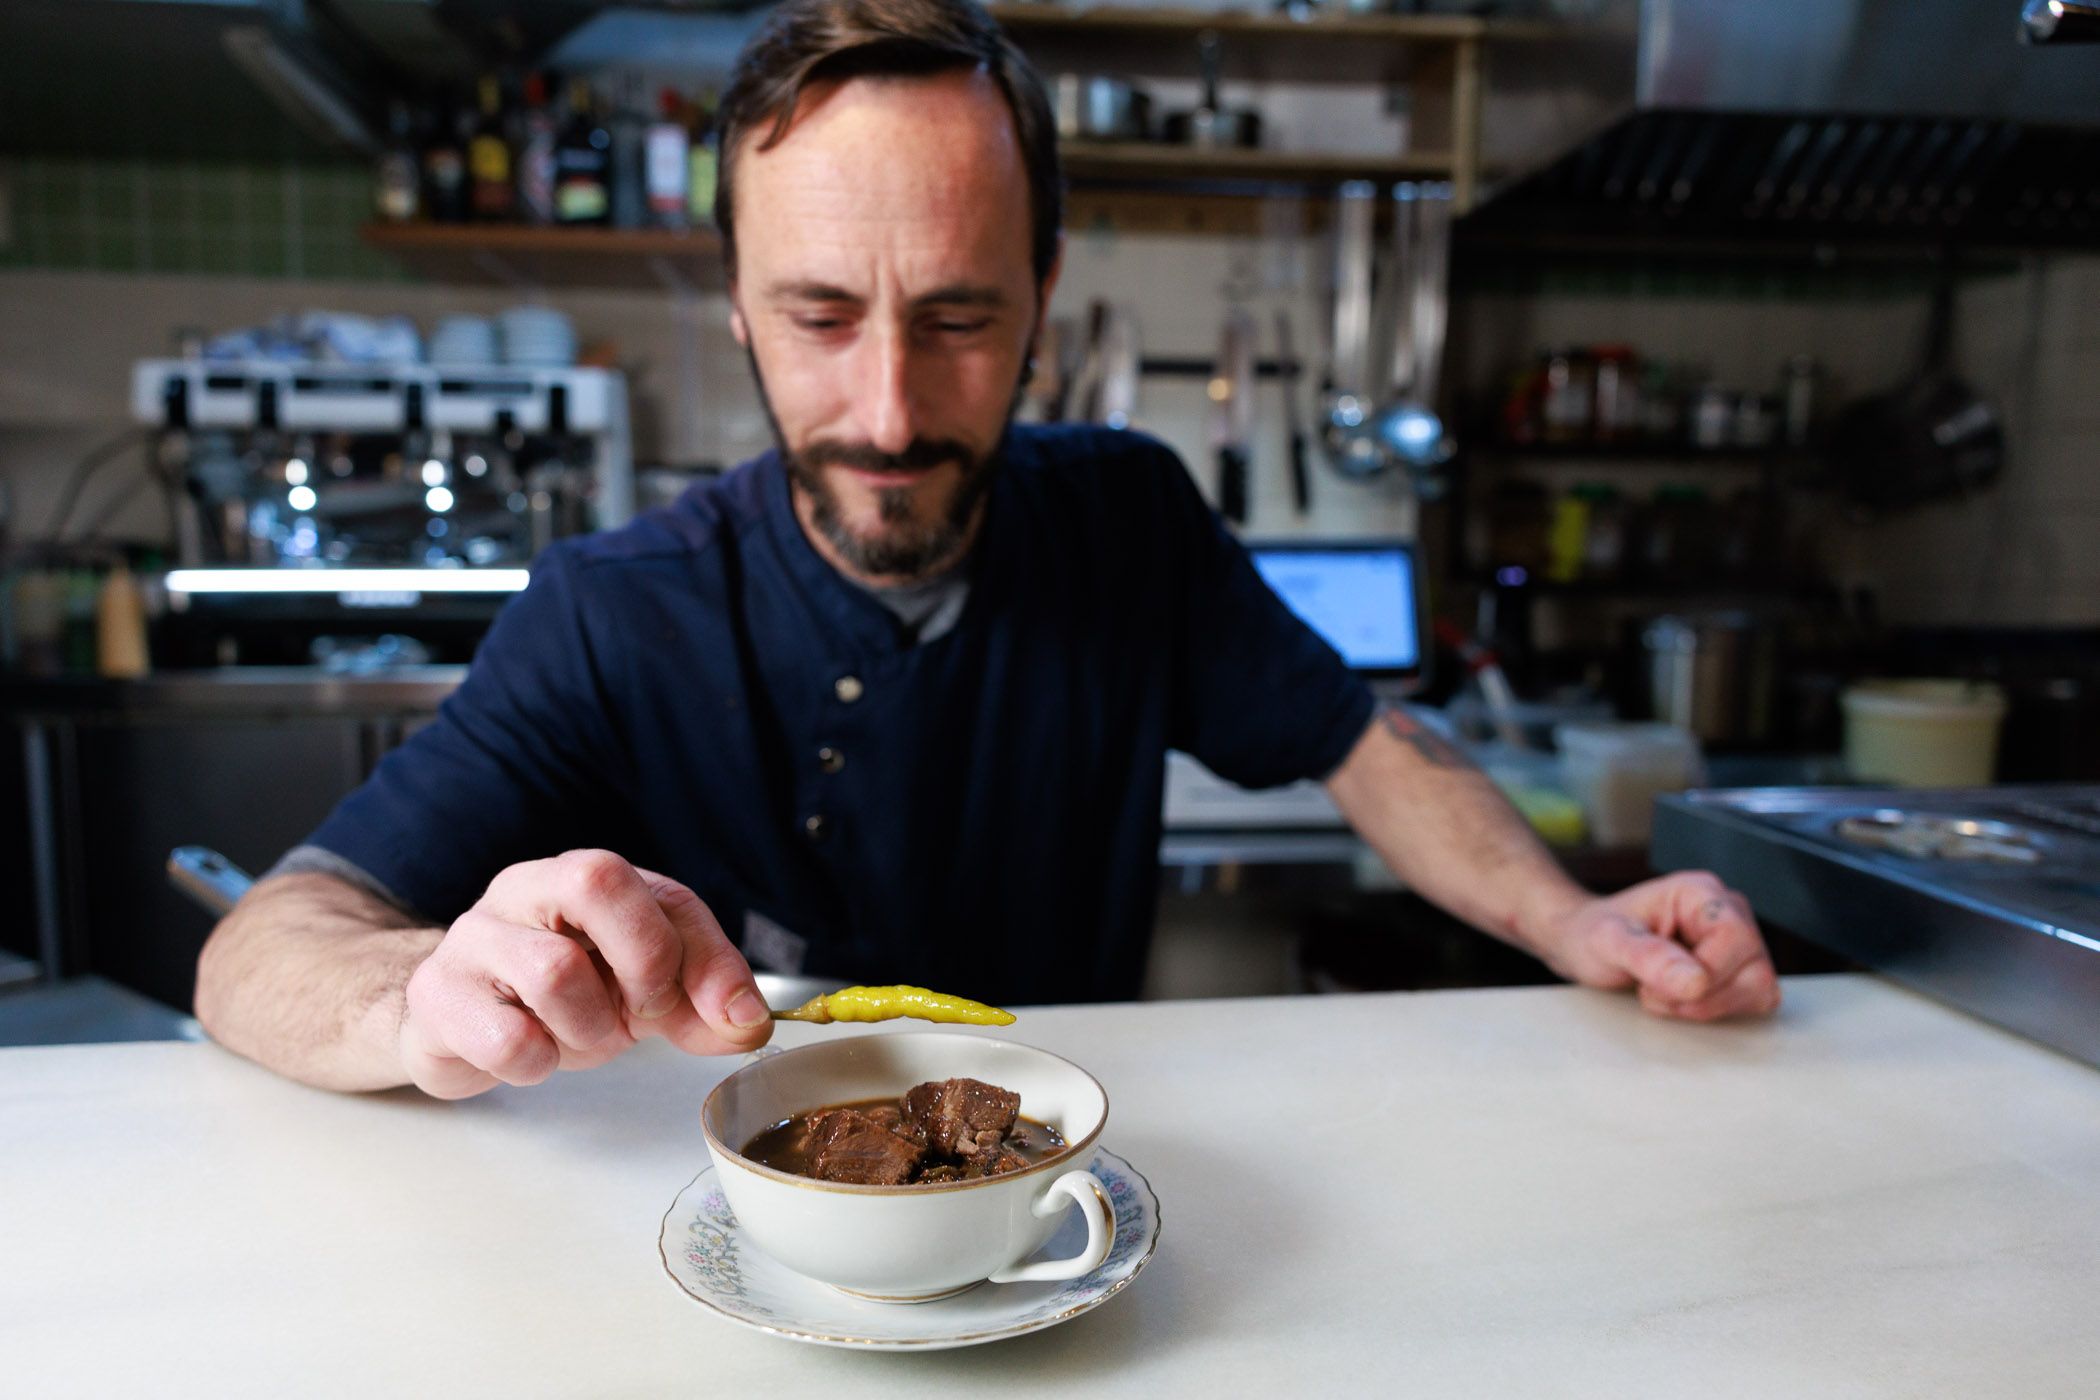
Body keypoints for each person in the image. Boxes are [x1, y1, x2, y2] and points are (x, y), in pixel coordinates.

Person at [194, 0, 1779, 1100]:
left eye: (958, 318)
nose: (888, 409)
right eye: (820, 317)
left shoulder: (1128, 520)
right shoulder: (615, 614)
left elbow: (1367, 749)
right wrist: (423, 1002)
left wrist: (1571, 918)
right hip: (727, 1228)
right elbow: (265, 945)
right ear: (737, 302)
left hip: (1062, 1201)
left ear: (1045, 292)